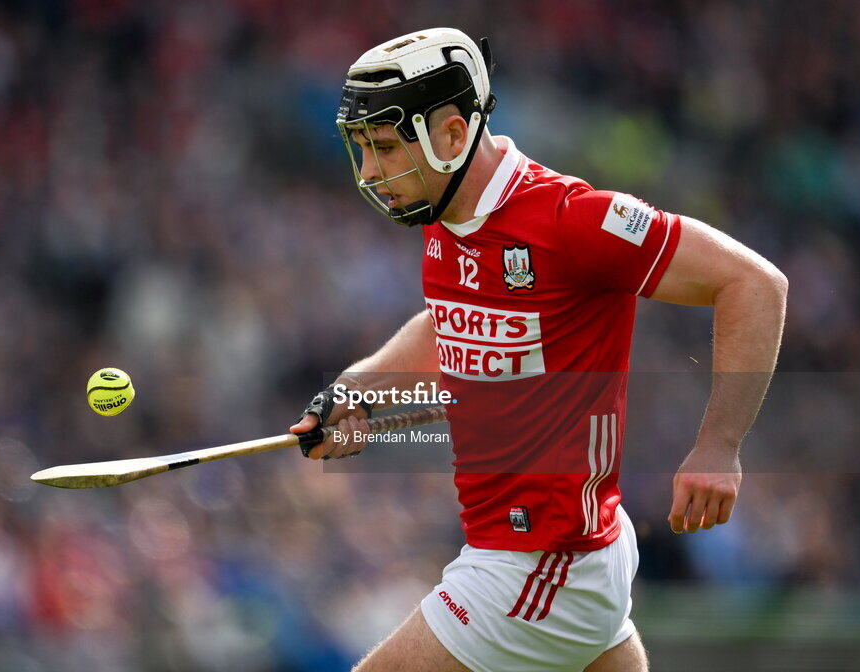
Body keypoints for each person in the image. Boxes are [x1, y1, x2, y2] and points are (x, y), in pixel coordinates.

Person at [290, 27, 787, 672]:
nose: (371, 172)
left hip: (542, 558)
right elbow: (451, 323)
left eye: (385, 148)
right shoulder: (448, 218)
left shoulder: (572, 222)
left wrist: (719, 444)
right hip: (557, 555)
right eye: (360, 150)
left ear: (449, 134)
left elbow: (754, 282)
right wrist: (358, 390)